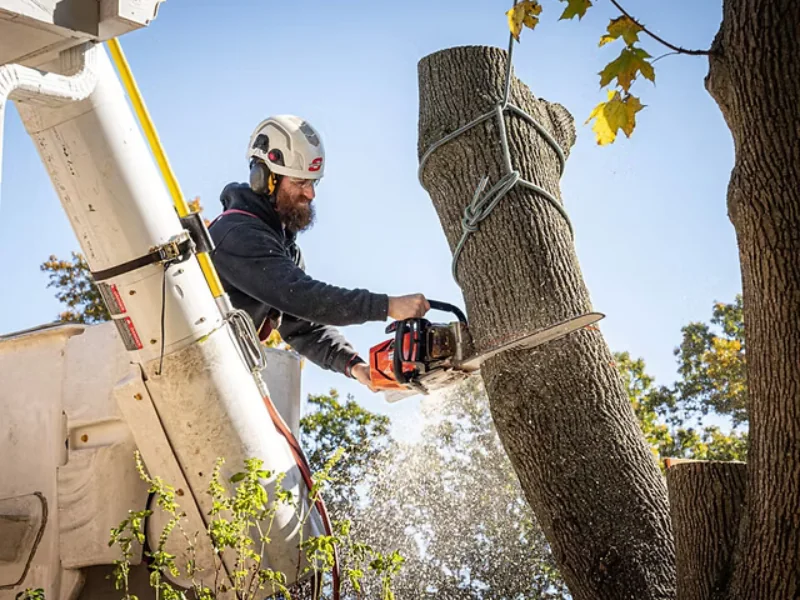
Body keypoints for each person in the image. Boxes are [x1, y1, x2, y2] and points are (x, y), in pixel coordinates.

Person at [209, 114, 430, 391]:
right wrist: (386, 306)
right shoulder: (236, 234)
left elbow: (302, 326)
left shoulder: (284, 249)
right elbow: (300, 297)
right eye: (300, 182)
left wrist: (354, 366)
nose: (310, 194)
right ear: (265, 179)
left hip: (220, 374)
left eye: (313, 182)